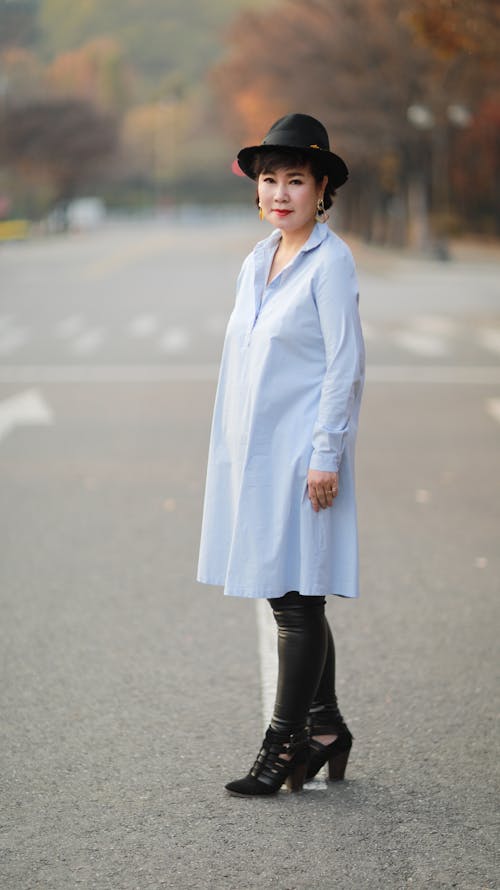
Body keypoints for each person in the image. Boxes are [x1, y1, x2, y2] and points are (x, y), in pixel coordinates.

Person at [197, 113, 365, 797]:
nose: (281, 192)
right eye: (270, 179)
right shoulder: (256, 259)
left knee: (297, 600)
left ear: (321, 188)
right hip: (255, 454)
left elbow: (344, 366)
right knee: (286, 593)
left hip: (303, 456)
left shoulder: (332, 261)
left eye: (296, 179)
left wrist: (326, 454)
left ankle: (285, 743)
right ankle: (325, 728)